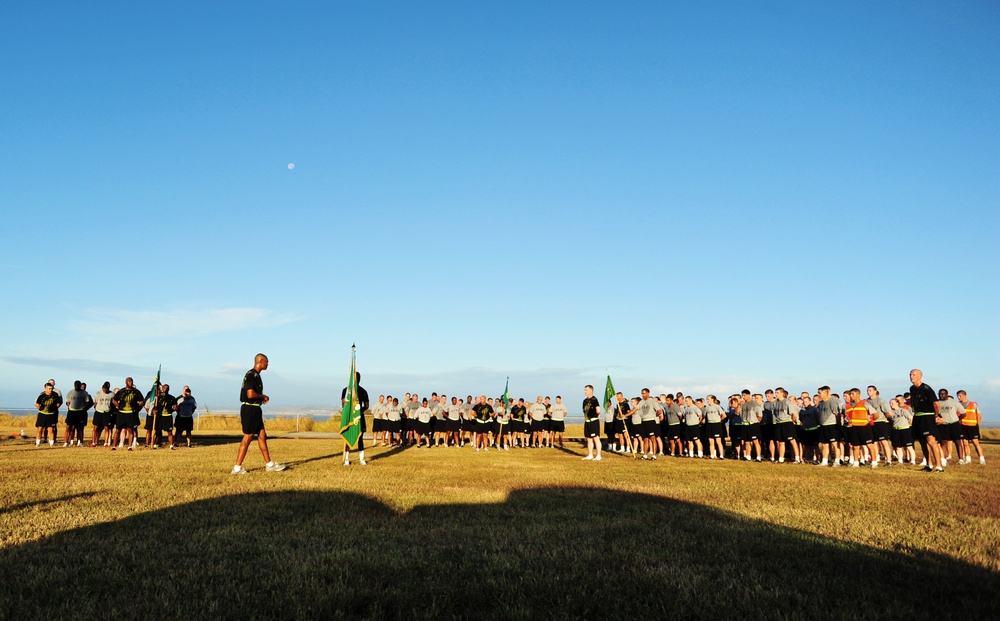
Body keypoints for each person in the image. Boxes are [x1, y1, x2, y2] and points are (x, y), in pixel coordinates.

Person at [232, 354, 285, 474]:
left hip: (255, 408)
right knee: (248, 437)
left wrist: (260, 399)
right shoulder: (252, 375)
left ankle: (269, 464)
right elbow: (250, 394)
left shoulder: (256, 376)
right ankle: (237, 468)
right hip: (250, 409)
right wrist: (263, 396)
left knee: (262, 435)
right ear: (260, 361)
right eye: (266, 362)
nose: (267, 365)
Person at [909, 369, 943, 473]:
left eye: (914, 375)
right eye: (910, 374)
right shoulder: (912, 389)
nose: (911, 376)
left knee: (931, 441)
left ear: (920, 376)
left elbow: (936, 404)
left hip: (927, 417)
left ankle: (939, 466)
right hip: (917, 416)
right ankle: (929, 464)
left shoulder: (927, 389)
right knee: (922, 442)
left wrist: (936, 416)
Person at [341, 371, 370, 465]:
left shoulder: (363, 391)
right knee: (347, 437)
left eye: (357, 378)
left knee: (360, 438)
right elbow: (344, 404)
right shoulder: (346, 391)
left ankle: (361, 459)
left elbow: (366, 405)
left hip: (358, 417)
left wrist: (358, 410)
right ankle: (346, 460)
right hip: (349, 418)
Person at [112, 377, 144, 451]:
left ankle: (130, 446)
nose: (130, 382)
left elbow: (142, 400)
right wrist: (118, 405)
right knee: (118, 430)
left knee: (130, 430)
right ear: (126, 382)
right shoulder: (121, 391)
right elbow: (114, 400)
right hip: (122, 413)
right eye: (129, 381)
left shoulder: (136, 392)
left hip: (131, 413)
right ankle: (114, 446)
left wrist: (139, 404)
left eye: (131, 381)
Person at [956, 390, 985, 464]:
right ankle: (968, 459)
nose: (959, 397)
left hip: (972, 426)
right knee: (965, 443)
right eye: (958, 396)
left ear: (965, 395)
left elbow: (979, 415)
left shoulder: (973, 404)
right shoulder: (957, 404)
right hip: (962, 426)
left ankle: (982, 459)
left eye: (960, 396)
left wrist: (976, 424)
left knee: (976, 443)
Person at [936, 389, 964, 465]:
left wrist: (958, 419)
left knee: (958, 442)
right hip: (943, 425)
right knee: (943, 442)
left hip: (954, 424)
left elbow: (963, 413)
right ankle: (943, 460)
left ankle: (961, 459)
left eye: (943, 394)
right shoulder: (937, 403)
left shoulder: (953, 402)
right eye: (940, 394)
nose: (941, 395)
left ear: (947, 394)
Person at [35, 382, 62, 446]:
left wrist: (55, 408)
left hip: (51, 414)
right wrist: (41, 409)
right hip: (42, 414)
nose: (51, 390)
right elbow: (37, 404)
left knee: (51, 429)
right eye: (49, 389)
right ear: (45, 389)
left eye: (51, 388)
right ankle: (37, 443)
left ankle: (51, 443)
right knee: (40, 429)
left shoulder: (55, 395)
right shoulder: (41, 396)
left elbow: (59, 403)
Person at [64, 380, 90, 447]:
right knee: (68, 427)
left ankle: (80, 442)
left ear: (80, 385)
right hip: (72, 411)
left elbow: (87, 402)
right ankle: (66, 442)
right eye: (75, 385)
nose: (77, 387)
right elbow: (67, 401)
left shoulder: (84, 393)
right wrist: (69, 406)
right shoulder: (70, 392)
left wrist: (84, 408)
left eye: (78, 385)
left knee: (80, 428)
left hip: (80, 412)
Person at [582, 385, 602, 461]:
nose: (585, 392)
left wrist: (597, 415)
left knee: (596, 438)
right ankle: (590, 454)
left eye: (586, 390)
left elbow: (598, 410)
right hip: (587, 421)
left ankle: (599, 455)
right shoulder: (584, 401)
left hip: (593, 421)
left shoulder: (594, 400)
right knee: (589, 438)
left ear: (591, 391)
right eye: (585, 390)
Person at [91, 382, 115, 447]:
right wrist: (96, 407)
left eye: (106, 389)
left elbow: (113, 402)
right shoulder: (98, 394)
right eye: (104, 389)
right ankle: (93, 442)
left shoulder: (112, 394)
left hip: (106, 412)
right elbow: (95, 402)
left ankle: (106, 442)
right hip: (98, 412)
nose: (105, 390)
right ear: (102, 388)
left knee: (106, 428)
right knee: (95, 428)